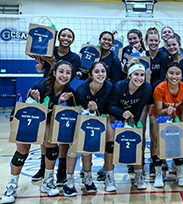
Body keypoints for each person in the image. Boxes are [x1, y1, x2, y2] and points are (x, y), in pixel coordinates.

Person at [2, 60, 76, 203]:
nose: (64, 75)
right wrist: (36, 101)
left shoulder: (69, 92)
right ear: (54, 72)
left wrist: (61, 103)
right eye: (61, 71)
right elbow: (29, 110)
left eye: (68, 73)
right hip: (25, 116)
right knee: (23, 148)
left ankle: (48, 181)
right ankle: (11, 186)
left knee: (51, 143)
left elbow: (60, 118)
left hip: (46, 118)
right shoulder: (40, 86)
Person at [30, 28, 81, 183]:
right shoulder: (47, 50)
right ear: (58, 37)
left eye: (69, 36)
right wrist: (41, 62)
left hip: (63, 91)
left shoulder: (74, 57)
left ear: (72, 40)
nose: (66, 38)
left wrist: (52, 61)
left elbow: (69, 75)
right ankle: (43, 167)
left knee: (63, 133)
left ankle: (62, 169)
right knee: (45, 133)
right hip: (46, 90)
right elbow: (40, 69)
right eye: (63, 35)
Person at [62, 61, 113, 196]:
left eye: (103, 71)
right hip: (80, 120)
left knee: (88, 148)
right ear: (90, 75)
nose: (100, 74)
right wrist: (89, 110)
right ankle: (69, 180)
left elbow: (105, 110)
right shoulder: (81, 91)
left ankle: (88, 178)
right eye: (97, 72)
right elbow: (81, 114)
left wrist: (95, 111)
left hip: (99, 119)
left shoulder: (109, 87)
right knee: (75, 147)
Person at [105, 58, 152, 191]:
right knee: (111, 143)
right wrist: (122, 113)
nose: (139, 78)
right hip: (115, 113)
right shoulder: (119, 86)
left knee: (138, 138)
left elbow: (138, 109)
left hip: (132, 115)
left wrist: (131, 123)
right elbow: (111, 106)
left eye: (142, 75)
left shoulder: (147, 88)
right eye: (136, 74)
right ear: (129, 75)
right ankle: (109, 177)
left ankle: (138, 175)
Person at [150, 62, 183, 188]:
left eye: (177, 73)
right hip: (158, 116)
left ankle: (179, 174)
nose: (174, 76)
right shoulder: (159, 88)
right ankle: (158, 173)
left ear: (181, 76)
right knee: (157, 141)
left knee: (179, 141)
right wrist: (165, 112)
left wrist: (180, 125)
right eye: (171, 73)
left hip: (177, 117)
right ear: (166, 74)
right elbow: (158, 111)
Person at [139, 27, 171, 176]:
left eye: (155, 40)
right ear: (146, 41)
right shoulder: (142, 56)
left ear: (159, 42)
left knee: (155, 132)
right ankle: (138, 162)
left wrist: (149, 87)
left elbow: (164, 77)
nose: (153, 43)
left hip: (154, 98)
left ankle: (154, 161)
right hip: (140, 98)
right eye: (150, 40)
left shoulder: (164, 56)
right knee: (140, 130)